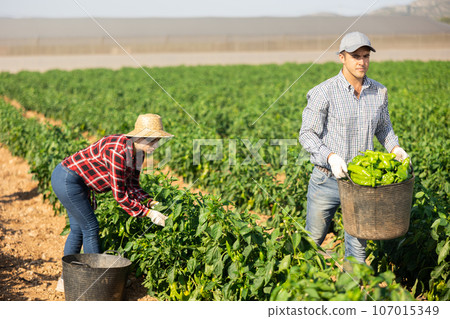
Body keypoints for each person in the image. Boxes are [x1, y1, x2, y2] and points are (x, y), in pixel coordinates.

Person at [298, 32, 410, 270]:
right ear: (342, 58)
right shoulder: (324, 92)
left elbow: (383, 127)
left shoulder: (379, 92)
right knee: (312, 241)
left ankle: (351, 297)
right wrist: (330, 156)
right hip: (327, 179)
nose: (362, 62)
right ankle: (300, 290)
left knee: (357, 251)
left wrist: (395, 147)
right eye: (355, 56)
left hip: (361, 184)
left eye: (366, 56)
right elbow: (307, 133)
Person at [51, 113, 174, 291]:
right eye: (153, 140)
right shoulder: (118, 151)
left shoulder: (139, 154)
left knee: (78, 229)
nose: (156, 145)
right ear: (141, 137)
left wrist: (151, 203)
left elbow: (132, 185)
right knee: (90, 227)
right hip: (67, 179)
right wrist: (147, 213)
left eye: (158, 140)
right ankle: (96, 283)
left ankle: (66, 281)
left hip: (76, 182)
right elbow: (121, 194)